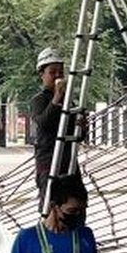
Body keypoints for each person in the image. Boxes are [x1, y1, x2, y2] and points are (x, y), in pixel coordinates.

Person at [30, 48, 75, 210]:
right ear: (42, 74)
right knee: (50, 204)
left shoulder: (69, 101)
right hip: (48, 160)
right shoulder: (39, 100)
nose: (58, 76)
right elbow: (44, 123)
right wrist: (56, 97)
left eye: (60, 72)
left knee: (74, 202)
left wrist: (81, 126)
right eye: (52, 72)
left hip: (68, 161)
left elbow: (74, 132)